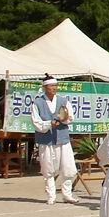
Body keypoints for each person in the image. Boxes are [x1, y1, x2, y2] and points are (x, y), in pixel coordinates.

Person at [31, 76, 78, 205]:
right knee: (48, 169)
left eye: (55, 86)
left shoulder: (63, 101)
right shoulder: (38, 103)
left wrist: (64, 119)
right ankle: (51, 195)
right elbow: (36, 122)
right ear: (44, 87)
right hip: (46, 140)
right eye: (51, 86)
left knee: (67, 167)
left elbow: (70, 117)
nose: (53, 88)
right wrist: (48, 124)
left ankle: (67, 194)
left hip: (62, 138)